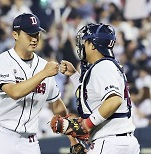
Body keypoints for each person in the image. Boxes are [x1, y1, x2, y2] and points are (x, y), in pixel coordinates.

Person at [0, 13, 68, 154]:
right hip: (0, 136)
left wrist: (71, 131)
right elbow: (15, 92)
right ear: (15, 35)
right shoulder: (1, 62)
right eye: (29, 34)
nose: (34, 39)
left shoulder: (44, 66)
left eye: (37, 34)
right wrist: (44, 73)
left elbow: (57, 104)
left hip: (30, 141)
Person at [58, 23, 140, 153]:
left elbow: (114, 100)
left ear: (93, 45)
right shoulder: (107, 65)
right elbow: (91, 96)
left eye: (85, 42)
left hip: (110, 142)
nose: (82, 45)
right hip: (120, 141)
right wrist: (74, 76)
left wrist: (87, 124)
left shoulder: (102, 66)